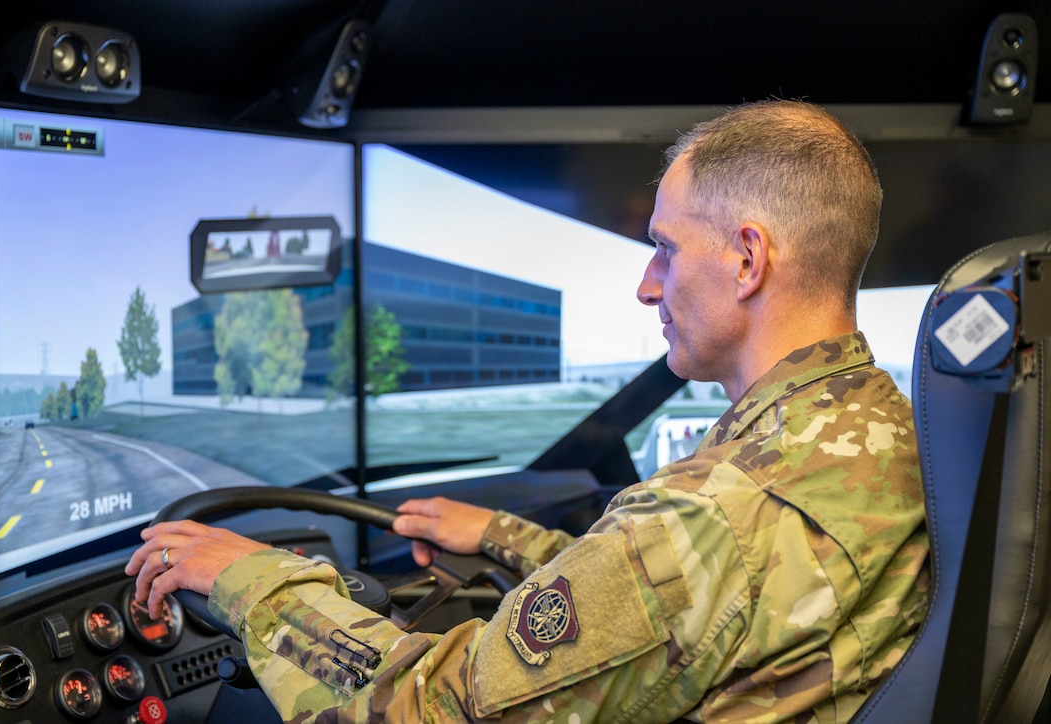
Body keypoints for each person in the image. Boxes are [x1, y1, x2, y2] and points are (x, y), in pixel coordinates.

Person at [127, 99, 930, 722]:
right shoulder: (885, 425)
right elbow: (687, 602)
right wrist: (499, 536)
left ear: (748, 258)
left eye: (666, 248)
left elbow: (429, 708)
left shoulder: (714, 514)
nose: (649, 283)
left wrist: (248, 579)